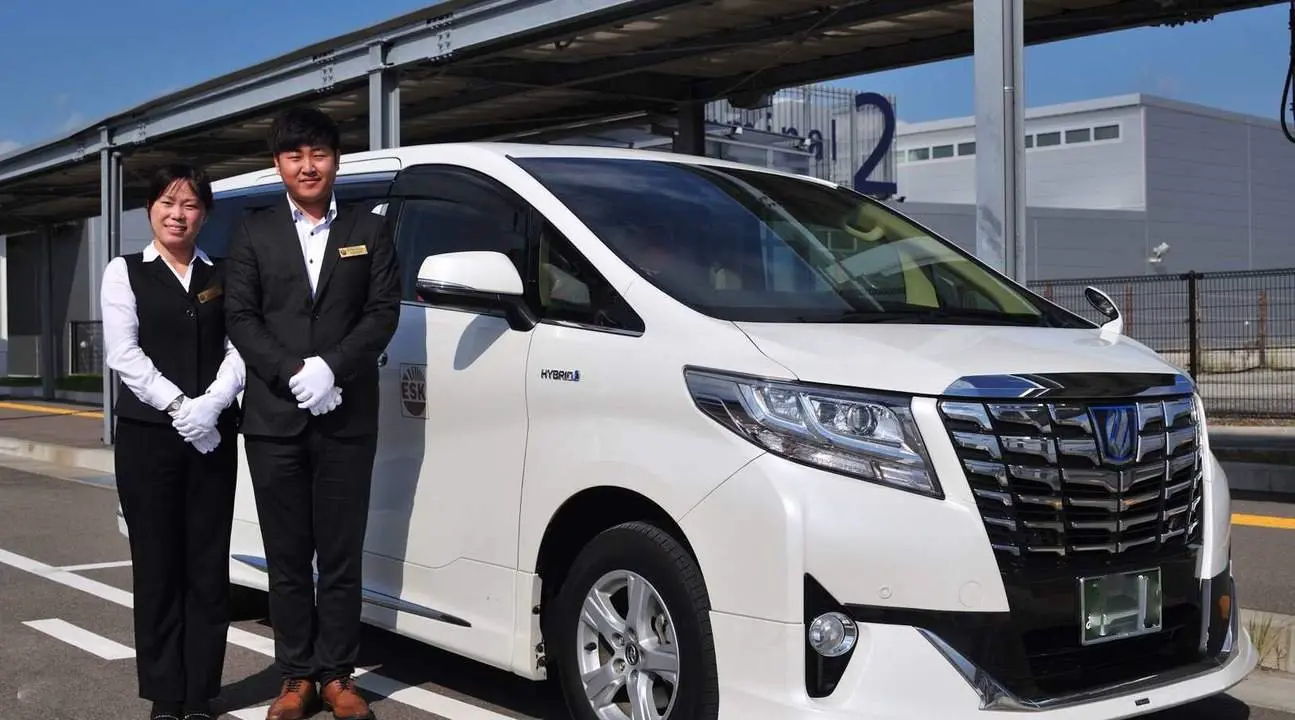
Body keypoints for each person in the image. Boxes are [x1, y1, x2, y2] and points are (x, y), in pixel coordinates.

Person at [223, 105, 401, 720]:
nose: (307, 165)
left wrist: (333, 369)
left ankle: (338, 676)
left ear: (335, 161)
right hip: (274, 420)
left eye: (318, 153)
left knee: (342, 552)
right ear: (278, 165)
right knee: (289, 554)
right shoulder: (253, 231)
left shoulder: (369, 229)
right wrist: (297, 374)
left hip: (348, 417)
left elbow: (382, 313)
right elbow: (240, 316)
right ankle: (296, 675)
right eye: (295, 155)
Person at [101, 163, 245, 720]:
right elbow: (123, 353)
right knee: (158, 566)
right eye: (166, 202)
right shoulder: (125, 271)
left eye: (188, 204)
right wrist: (180, 405)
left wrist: (210, 405)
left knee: (208, 568)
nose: (177, 214)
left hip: (212, 437)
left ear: (204, 213)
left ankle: (201, 692)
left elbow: (240, 348)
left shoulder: (223, 273)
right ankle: (165, 695)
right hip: (149, 440)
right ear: (149, 211)